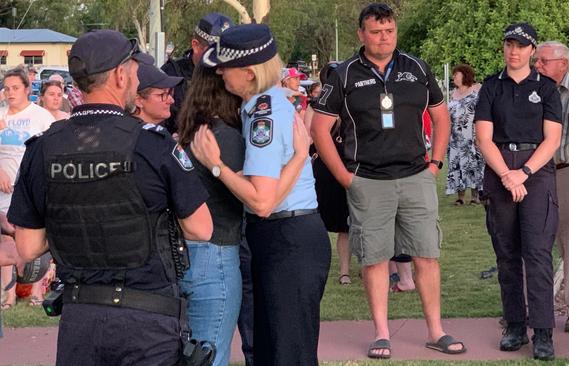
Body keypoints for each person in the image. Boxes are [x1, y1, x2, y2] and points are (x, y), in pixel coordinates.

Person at [7, 29, 213, 365]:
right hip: (147, 321)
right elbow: (201, 227)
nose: (135, 78)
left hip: (81, 319)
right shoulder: (153, 145)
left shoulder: (42, 147)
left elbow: (29, 247)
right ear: (120, 75)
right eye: (133, 70)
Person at [311, 3, 464, 359]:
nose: (384, 38)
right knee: (376, 259)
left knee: (426, 254)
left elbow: (441, 119)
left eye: (390, 31)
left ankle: (435, 330)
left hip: (416, 176)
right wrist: (345, 178)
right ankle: (381, 333)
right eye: (376, 32)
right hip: (368, 180)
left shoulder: (417, 68)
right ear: (361, 34)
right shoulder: (344, 74)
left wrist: (435, 164)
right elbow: (320, 129)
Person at [192, 23, 331, 366]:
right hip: (286, 235)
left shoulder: (263, 113)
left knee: (287, 354)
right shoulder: (262, 105)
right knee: (276, 351)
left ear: (249, 73)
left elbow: (261, 201)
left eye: (226, 66)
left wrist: (216, 166)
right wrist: (299, 157)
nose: (220, 72)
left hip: (287, 239)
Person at [474, 22, 562, 361]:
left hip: (535, 170)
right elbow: (484, 137)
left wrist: (523, 172)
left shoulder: (548, 89)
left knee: (538, 254)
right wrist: (507, 176)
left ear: (532, 50)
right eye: (509, 44)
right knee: (507, 255)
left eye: (521, 45)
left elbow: (552, 139)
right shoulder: (491, 87)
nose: (514, 50)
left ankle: (542, 332)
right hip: (499, 168)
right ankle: (514, 325)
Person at [175, 64, 244, 366]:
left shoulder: (189, 134)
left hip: (183, 251)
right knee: (210, 354)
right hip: (215, 253)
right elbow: (255, 198)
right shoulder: (224, 137)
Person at [534, 41, 569, 333]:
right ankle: (536, 308)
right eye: (537, 61)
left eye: (544, 61)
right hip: (536, 174)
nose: (538, 66)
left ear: (565, 64)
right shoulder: (533, 92)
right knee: (535, 242)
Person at [0, 68, 55, 311]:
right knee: (5, 237)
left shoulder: (40, 117)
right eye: (7, 88)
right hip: (4, 189)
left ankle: (36, 290)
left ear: (26, 90)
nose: (10, 93)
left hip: (30, 189)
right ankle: (8, 293)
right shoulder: (1, 116)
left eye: (15, 88)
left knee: (34, 236)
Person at [307, 63, 352, 285]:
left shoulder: (350, 103)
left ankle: (345, 271)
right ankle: (326, 268)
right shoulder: (316, 106)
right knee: (322, 221)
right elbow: (308, 138)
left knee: (347, 223)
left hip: (347, 165)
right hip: (324, 169)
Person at [161, 12, 232, 135]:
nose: (221, 58)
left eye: (227, 51)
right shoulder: (171, 74)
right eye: (215, 51)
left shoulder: (232, 75)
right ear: (196, 45)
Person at [447, 64, 484, 205]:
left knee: (474, 164)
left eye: (456, 74)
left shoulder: (477, 89)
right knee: (456, 164)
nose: (454, 77)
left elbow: (482, 112)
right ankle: (460, 196)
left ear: (464, 75)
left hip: (472, 134)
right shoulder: (453, 93)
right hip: (455, 136)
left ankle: (476, 196)